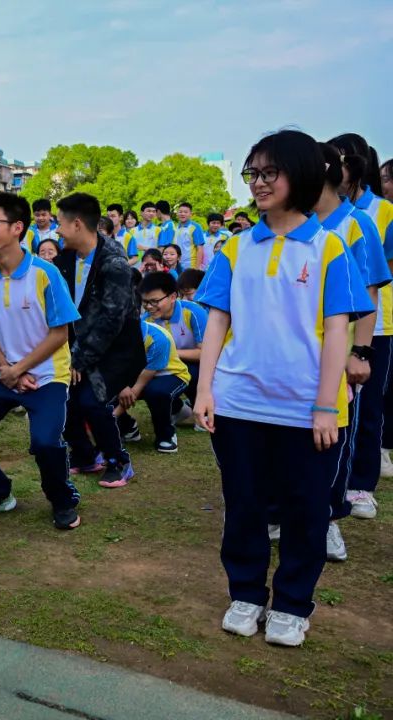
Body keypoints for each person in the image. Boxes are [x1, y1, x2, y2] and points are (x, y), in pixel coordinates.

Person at [194, 129, 371, 647]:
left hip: (307, 409)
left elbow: (338, 328)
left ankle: (293, 603)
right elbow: (217, 322)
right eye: (253, 173)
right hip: (239, 402)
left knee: (306, 508)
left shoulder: (328, 246)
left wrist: (323, 405)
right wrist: (205, 390)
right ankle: (246, 594)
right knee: (244, 503)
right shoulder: (233, 246)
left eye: (270, 172)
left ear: (302, 174)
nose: (259, 183)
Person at [0, 193, 82, 528]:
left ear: (17, 228)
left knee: (44, 442)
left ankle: (62, 499)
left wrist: (19, 368)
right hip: (4, 373)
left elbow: (60, 334)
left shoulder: (45, 274)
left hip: (47, 375)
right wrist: (7, 369)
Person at [312, 143, 391, 537]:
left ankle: (332, 512)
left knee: (342, 427)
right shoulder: (293, 224)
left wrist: (360, 351)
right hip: (303, 349)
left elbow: (370, 294)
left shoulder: (358, 224)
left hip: (344, 347)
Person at [55, 192, 146, 488]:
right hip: (78, 345)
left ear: (77, 224)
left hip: (116, 348)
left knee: (92, 402)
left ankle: (118, 460)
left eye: (60, 223)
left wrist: (79, 358)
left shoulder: (115, 263)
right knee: (66, 399)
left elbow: (112, 318)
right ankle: (84, 456)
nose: (56, 230)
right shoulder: (65, 259)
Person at [330, 132, 393, 499]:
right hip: (331, 328)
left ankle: (362, 485)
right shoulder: (314, 213)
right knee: (338, 408)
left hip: (377, 323)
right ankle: (333, 483)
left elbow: (379, 275)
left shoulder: (380, 212)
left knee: (367, 408)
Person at [114, 320, 191, 456]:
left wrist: (112, 416)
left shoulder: (157, 338)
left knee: (156, 392)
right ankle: (128, 428)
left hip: (171, 374)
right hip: (137, 374)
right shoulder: (109, 334)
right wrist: (120, 387)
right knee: (107, 388)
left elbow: (139, 385)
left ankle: (166, 436)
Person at [139, 271, 206, 412]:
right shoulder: (146, 321)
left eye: (155, 301)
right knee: (151, 384)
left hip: (196, 364)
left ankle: (200, 408)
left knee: (192, 373)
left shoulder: (193, 312)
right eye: (145, 302)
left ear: (173, 297)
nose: (149, 306)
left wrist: (169, 352)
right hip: (165, 365)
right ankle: (178, 410)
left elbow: (205, 353)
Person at [173, 202, 207, 270]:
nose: (182, 214)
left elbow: (200, 248)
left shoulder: (195, 227)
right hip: (177, 265)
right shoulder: (176, 227)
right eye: (180, 212)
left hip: (191, 266)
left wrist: (197, 268)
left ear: (191, 214)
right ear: (177, 213)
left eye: (185, 212)